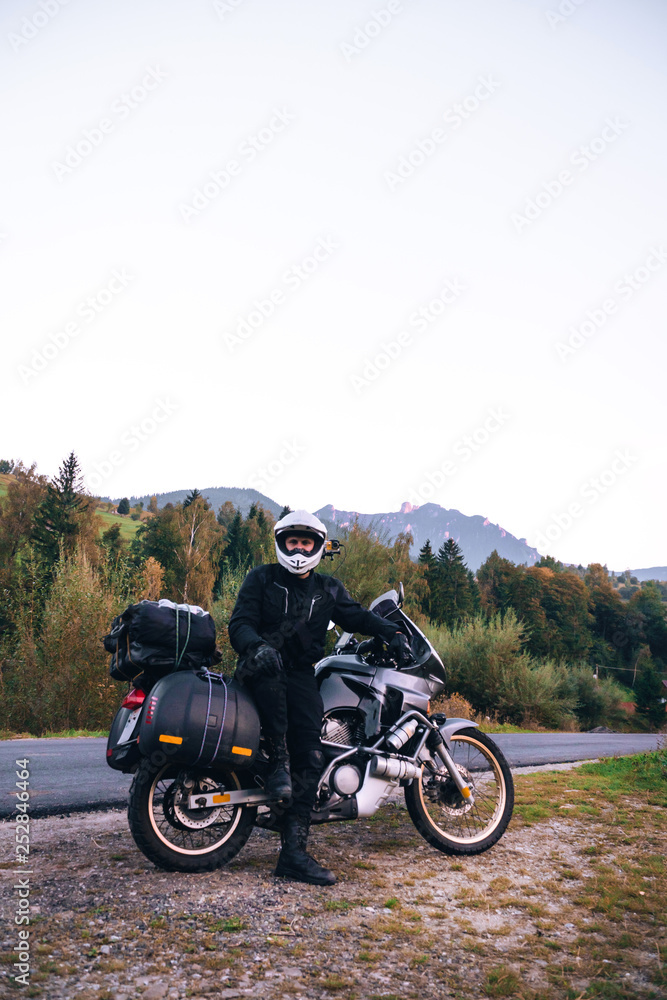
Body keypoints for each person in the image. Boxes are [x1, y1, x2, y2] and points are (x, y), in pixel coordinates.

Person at [228, 509, 412, 886]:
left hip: (299, 677)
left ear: (317, 546)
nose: (298, 548)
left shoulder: (328, 589)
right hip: (259, 668)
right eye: (292, 541)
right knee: (272, 670)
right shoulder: (260, 578)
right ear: (281, 543)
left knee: (311, 752)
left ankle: (293, 854)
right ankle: (278, 763)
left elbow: (357, 617)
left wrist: (392, 631)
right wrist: (255, 646)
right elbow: (239, 623)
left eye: (305, 542)